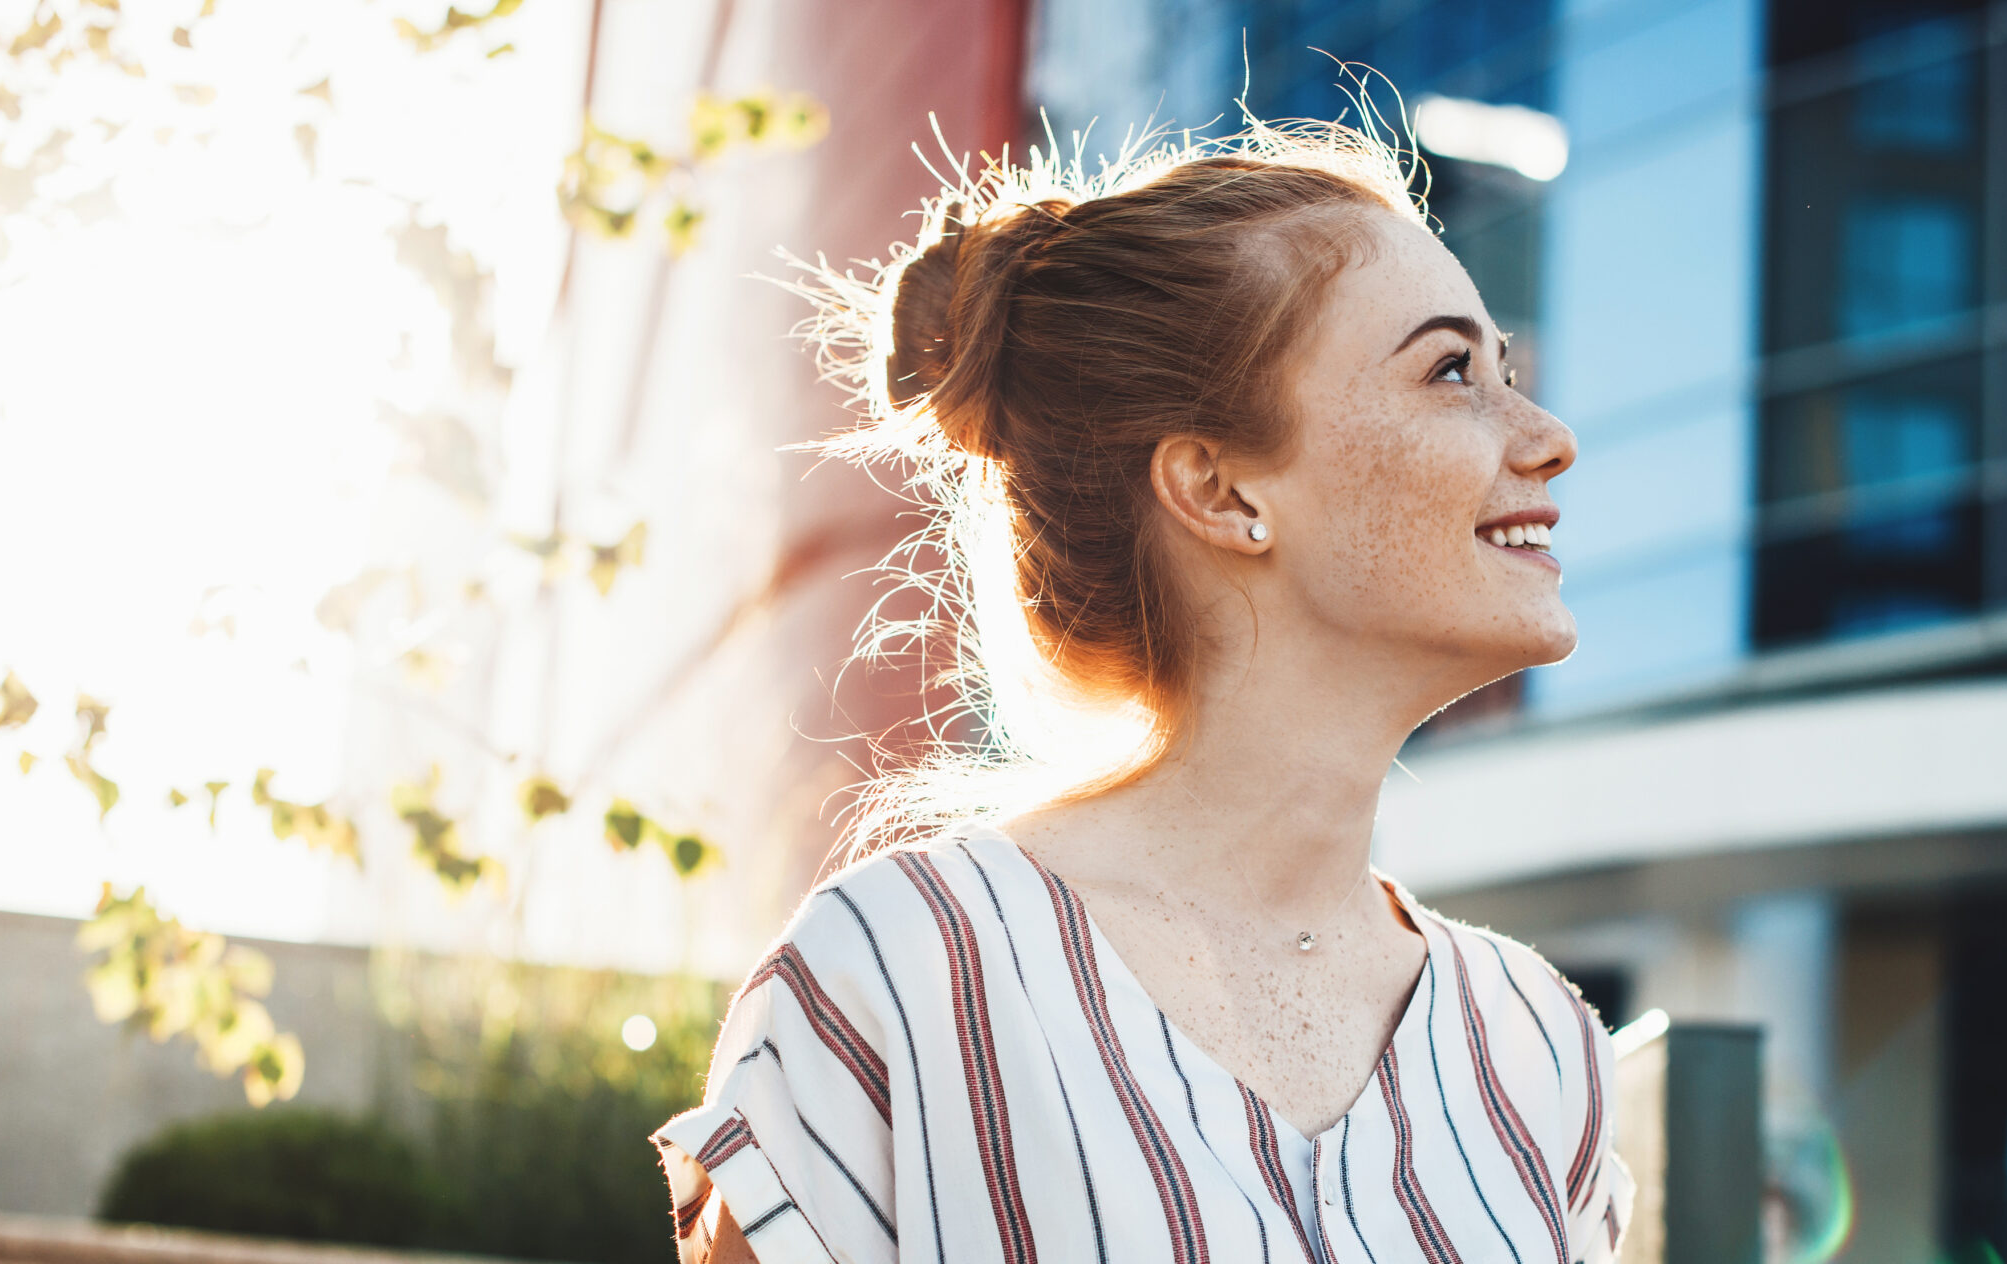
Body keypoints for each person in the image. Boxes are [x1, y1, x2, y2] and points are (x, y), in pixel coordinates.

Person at [654, 115, 1631, 1264]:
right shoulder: (899, 970)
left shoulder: (1541, 1047)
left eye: (1506, 370)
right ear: (1217, 489)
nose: (1549, 436)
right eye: (1452, 370)